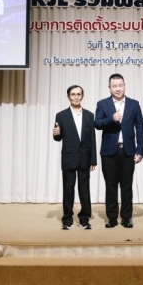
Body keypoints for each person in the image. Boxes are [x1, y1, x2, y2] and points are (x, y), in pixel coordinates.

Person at [95, 74, 143, 228]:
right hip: (109, 152)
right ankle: (111, 217)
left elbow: (140, 128)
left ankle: (126, 217)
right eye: (114, 86)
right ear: (109, 88)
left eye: (120, 85)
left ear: (124, 86)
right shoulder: (102, 104)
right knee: (110, 186)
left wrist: (140, 150)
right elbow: (97, 123)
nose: (118, 89)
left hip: (128, 151)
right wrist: (111, 118)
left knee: (126, 186)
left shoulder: (134, 104)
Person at [53, 85, 97, 230]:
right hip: (68, 157)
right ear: (68, 97)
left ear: (82, 96)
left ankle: (84, 219)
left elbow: (92, 138)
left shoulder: (89, 115)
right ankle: (67, 219)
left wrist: (93, 159)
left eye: (78, 94)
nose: (76, 97)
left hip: (85, 158)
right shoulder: (60, 115)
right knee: (68, 189)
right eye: (73, 94)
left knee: (84, 189)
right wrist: (56, 134)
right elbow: (58, 137)